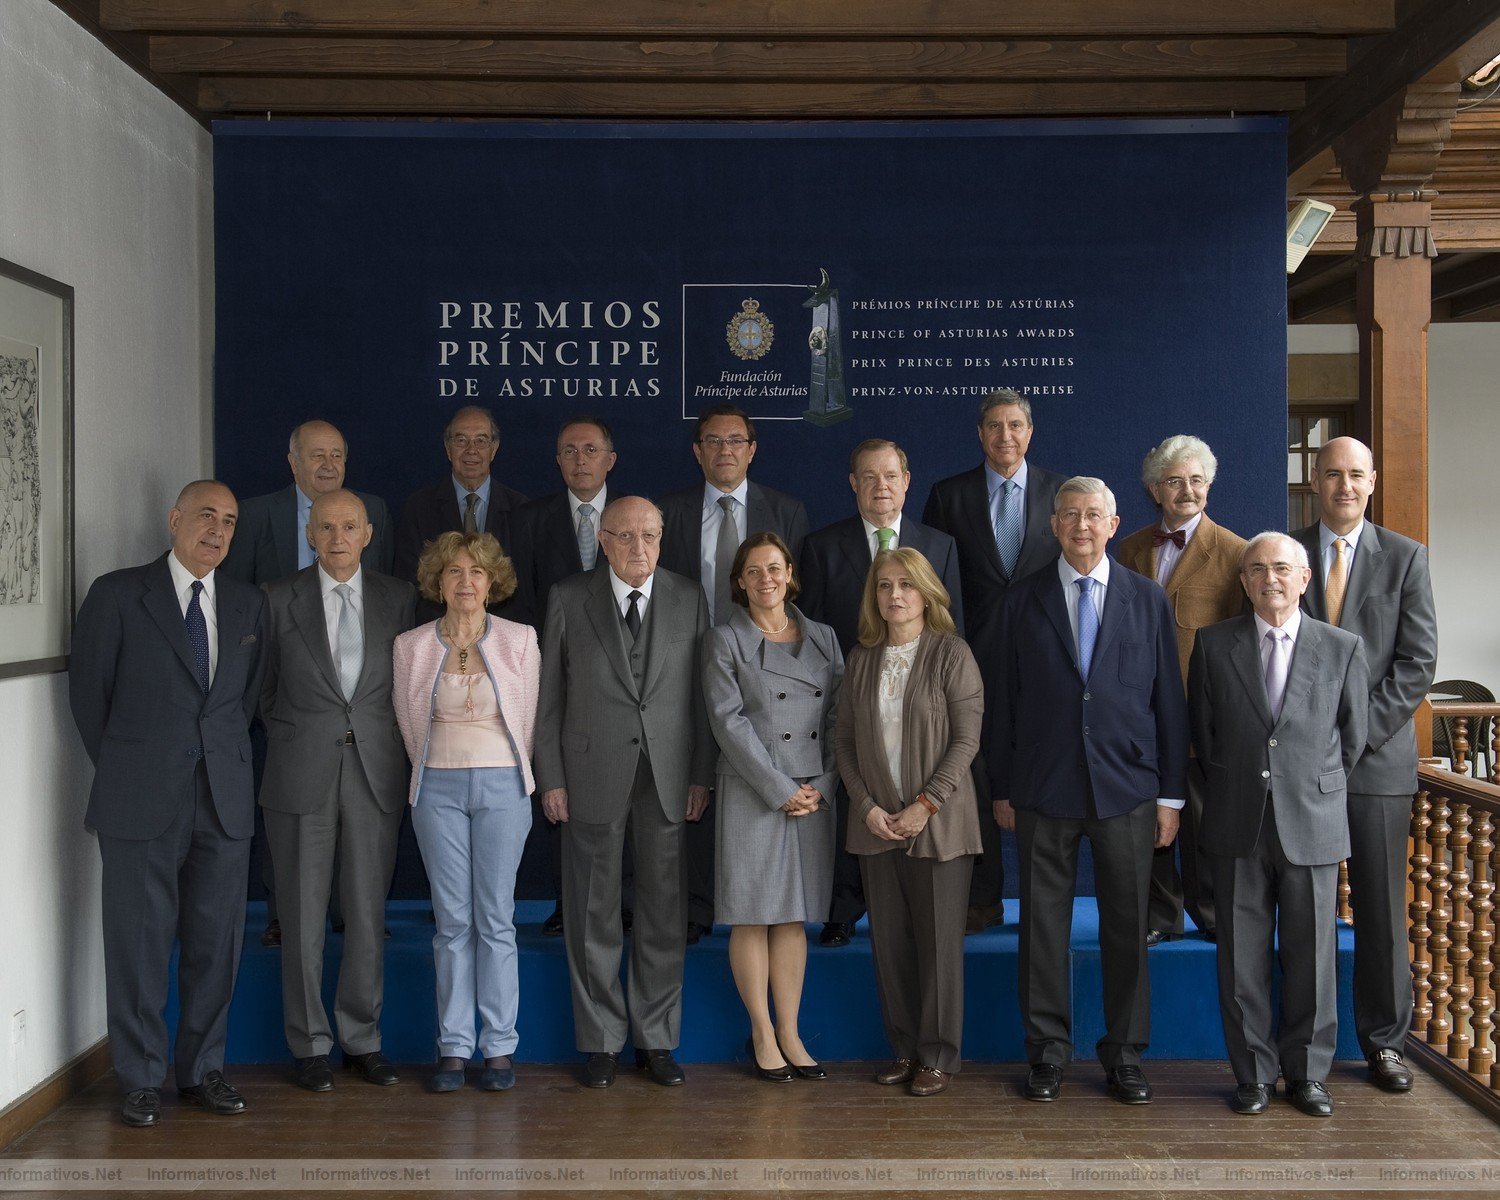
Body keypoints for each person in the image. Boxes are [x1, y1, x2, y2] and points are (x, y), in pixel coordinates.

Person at [69, 480, 268, 1127]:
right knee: (138, 943)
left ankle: (203, 1071)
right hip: (140, 800)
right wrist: (136, 767)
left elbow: (246, 702)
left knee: (216, 945)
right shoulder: (119, 594)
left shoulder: (247, 604)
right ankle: (139, 1078)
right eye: (206, 515)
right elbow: (89, 700)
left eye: (230, 521)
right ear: (175, 518)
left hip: (225, 801)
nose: (217, 529)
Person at [988, 477, 1188, 1106]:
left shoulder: (1147, 599)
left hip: (1127, 790)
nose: (1081, 525)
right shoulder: (1021, 601)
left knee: (1126, 927)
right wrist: (1002, 787)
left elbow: (1169, 705)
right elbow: (1004, 706)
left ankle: (1125, 1053)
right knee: (1041, 929)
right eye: (1070, 515)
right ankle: (1047, 1053)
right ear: (1052, 526)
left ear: (1114, 522)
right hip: (1043, 790)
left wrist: (1171, 797)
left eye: (1093, 515)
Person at [534, 496, 715, 1090]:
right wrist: (552, 777)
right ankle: (602, 1042)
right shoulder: (567, 597)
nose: (639, 548)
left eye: (650, 536)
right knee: (592, 912)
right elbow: (549, 698)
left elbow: (700, 697)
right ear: (603, 541)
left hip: (666, 778)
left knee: (665, 913)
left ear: (662, 539)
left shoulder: (688, 596)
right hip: (589, 775)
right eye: (626, 536)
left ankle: (656, 1039)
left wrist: (700, 774)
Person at [1189, 532, 1369, 1118]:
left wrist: (1309, 784)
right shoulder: (1214, 646)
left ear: (1304, 578)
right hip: (1237, 818)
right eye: (1259, 569)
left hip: (1311, 819)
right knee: (1241, 958)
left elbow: (1352, 737)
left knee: (1313, 956)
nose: (1271, 578)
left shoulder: (1341, 647)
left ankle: (1309, 1075)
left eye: (1283, 569)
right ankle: (1254, 1075)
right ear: (1243, 580)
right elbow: (1204, 732)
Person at [258, 489, 416, 1092]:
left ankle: (362, 1038)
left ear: (368, 533)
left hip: (376, 773)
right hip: (300, 776)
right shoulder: (276, 599)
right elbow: (263, 694)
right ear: (309, 534)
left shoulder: (399, 599)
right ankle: (309, 1045)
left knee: (367, 914)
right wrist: (308, 736)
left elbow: (408, 683)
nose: (338, 537)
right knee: (301, 918)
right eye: (326, 527)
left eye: (350, 526)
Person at [1293, 435, 1437, 1095]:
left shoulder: (1406, 558)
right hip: (1300, 768)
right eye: (1332, 475)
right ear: (1313, 480)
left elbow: (1416, 664)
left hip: (1376, 766)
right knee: (1306, 913)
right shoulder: (1284, 555)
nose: (1344, 486)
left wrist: (1354, 734)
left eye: (1355, 475)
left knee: (1380, 912)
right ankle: (1306, 1054)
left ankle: (1383, 1044)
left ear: (1371, 482)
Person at [220, 418, 394, 948]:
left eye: (337, 455)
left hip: (363, 728)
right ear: (292, 461)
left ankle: (350, 918)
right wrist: (286, 720)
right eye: (316, 455)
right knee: (293, 852)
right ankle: (284, 914)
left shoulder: (375, 519)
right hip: (296, 712)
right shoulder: (257, 517)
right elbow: (241, 607)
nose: (328, 465)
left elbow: (385, 626)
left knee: (363, 886)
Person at [799, 437, 962, 949]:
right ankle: (845, 907)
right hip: (852, 699)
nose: (880, 487)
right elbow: (813, 631)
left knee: (916, 790)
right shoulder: (822, 547)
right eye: (868, 477)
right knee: (855, 797)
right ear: (853, 485)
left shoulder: (939, 545)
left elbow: (953, 628)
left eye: (890, 476)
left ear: (907, 482)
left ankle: (918, 904)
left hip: (922, 703)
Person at [833, 548, 984, 1097]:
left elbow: (967, 740)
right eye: (884, 585)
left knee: (939, 945)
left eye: (906, 585)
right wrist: (867, 806)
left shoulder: (951, 653)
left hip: (938, 824)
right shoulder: (862, 658)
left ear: (927, 592)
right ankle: (903, 1048)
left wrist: (927, 803)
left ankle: (938, 1056)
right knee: (890, 945)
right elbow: (844, 742)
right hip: (875, 825)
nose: (894, 595)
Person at [392, 531, 539, 1093]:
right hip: (436, 791)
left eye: (476, 572)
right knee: (452, 922)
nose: (466, 582)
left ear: (492, 581)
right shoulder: (410, 646)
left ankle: (499, 1047)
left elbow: (528, 721)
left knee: (495, 919)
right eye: (454, 572)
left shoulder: (521, 640)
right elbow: (409, 725)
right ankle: (453, 1047)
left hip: (504, 787)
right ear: (438, 581)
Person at [658, 404, 810, 943]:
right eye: (713, 441)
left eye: (736, 441)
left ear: (752, 449)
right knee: (694, 782)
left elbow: (795, 596)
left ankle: (769, 903)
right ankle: (699, 906)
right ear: (697, 451)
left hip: (767, 675)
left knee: (757, 781)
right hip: (683, 669)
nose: (725, 450)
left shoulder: (787, 511)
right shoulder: (668, 513)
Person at [923, 389, 1069, 934]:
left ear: (1029, 432)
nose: (1005, 436)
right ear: (980, 434)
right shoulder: (947, 495)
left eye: (1015, 425)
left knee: (1043, 770)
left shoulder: (1062, 491)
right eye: (993, 426)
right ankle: (981, 898)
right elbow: (934, 582)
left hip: (1048, 654)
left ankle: (1043, 901)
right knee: (972, 774)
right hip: (971, 656)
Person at [701, 532, 843, 1081]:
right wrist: (778, 787)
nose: (766, 579)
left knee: (792, 916)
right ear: (739, 581)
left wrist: (824, 783)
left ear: (790, 575)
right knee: (752, 913)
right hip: (753, 790)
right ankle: (761, 1031)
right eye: (754, 571)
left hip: (812, 793)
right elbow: (727, 722)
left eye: (775, 569)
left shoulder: (825, 638)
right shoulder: (724, 640)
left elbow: (839, 720)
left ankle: (790, 1029)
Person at [1115, 435, 1247, 946]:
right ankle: (1158, 916)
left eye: (1195, 480)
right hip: (1137, 715)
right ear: (1154, 490)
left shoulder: (1236, 552)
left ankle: (1211, 911)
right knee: (1146, 821)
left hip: (1202, 716)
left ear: (1209, 486)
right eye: (1174, 481)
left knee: (1204, 822)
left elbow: (1241, 644)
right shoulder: (1126, 549)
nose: (1186, 490)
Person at [505, 416, 619, 937]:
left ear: (609, 460)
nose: (579, 459)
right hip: (554, 681)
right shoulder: (529, 520)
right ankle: (565, 902)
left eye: (590, 449)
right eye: (568, 451)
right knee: (559, 792)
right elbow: (520, 604)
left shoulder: (632, 519)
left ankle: (629, 902)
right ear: (557, 461)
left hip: (623, 683)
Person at [393, 406, 530, 622]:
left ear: (494, 449)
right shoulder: (418, 508)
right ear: (447, 449)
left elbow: (526, 588)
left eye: (481, 440)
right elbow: (409, 585)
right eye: (461, 440)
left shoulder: (522, 509)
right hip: (437, 634)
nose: (471, 450)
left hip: (503, 638)